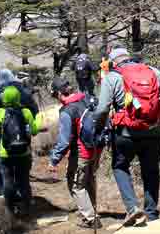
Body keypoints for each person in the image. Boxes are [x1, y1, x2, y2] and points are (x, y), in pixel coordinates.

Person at [93, 47, 160, 226]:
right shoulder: (153, 71)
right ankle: (152, 214)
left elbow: (102, 109)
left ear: (113, 62)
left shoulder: (112, 77)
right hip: (153, 131)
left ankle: (132, 209)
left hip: (126, 133)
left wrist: (98, 127)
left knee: (120, 166)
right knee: (151, 170)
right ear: (128, 57)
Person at [48, 77, 103, 229]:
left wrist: (54, 159)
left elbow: (64, 141)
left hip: (81, 151)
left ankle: (91, 219)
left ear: (59, 93)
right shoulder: (87, 99)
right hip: (97, 147)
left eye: (55, 95)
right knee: (89, 180)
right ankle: (92, 210)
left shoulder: (67, 111)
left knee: (76, 184)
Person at [0, 85, 41, 217]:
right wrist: (38, 118)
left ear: (4, 98)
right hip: (23, 153)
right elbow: (34, 131)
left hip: (5, 154)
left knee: (8, 182)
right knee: (24, 181)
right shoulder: (26, 112)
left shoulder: (0, 113)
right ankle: (27, 209)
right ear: (18, 97)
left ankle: (11, 210)